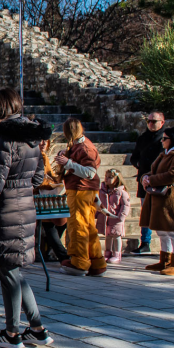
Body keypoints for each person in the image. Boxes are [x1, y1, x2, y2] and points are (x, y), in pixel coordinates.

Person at [0, 88, 55, 348]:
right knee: (14, 271)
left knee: (7, 271)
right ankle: (37, 328)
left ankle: (12, 333)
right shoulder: (32, 137)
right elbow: (37, 178)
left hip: (6, 209)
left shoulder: (5, 138)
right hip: (26, 206)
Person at [55, 118, 107, 277]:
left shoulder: (85, 148)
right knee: (88, 226)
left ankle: (79, 261)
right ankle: (96, 261)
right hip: (81, 190)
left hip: (81, 190)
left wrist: (68, 162)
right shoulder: (78, 145)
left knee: (78, 225)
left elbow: (90, 173)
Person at [140, 127, 174, 276]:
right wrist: (146, 177)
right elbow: (154, 170)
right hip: (159, 198)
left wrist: (152, 180)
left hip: (172, 199)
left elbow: (173, 175)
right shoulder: (165, 154)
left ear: (173, 140)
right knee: (162, 230)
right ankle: (164, 260)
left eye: (165, 139)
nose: (162, 141)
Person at [129, 111, 166, 255]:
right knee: (146, 212)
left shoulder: (165, 139)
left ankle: (166, 247)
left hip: (159, 181)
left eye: (154, 121)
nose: (151, 124)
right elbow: (134, 157)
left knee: (160, 213)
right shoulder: (143, 138)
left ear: (162, 122)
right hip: (144, 180)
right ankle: (145, 242)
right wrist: (140, 165)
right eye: (149, 121)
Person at [36, 138, 69, 263]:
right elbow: (39, 180)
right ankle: (61, 255)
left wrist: (57, 180)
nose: (43, 143)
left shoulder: (43, 155)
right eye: (41, 140)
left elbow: (48, 175)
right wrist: (52, 185)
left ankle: (51, 250)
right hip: (38, 196)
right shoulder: (36, 156)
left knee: (61, 220)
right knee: (49, 223)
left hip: (46, 194)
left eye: (46, 140)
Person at [97, 169, 131, 264]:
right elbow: (99, 203)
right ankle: (107, 253)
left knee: (116, 236)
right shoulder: (102, 191)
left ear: (117, 179)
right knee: (108, 236)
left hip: (116, 219)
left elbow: (126, 205)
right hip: (105, 218)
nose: (106, 179)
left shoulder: (121, 192)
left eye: (110, 177)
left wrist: (121, 217)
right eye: (106, 177)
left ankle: (117, 254)